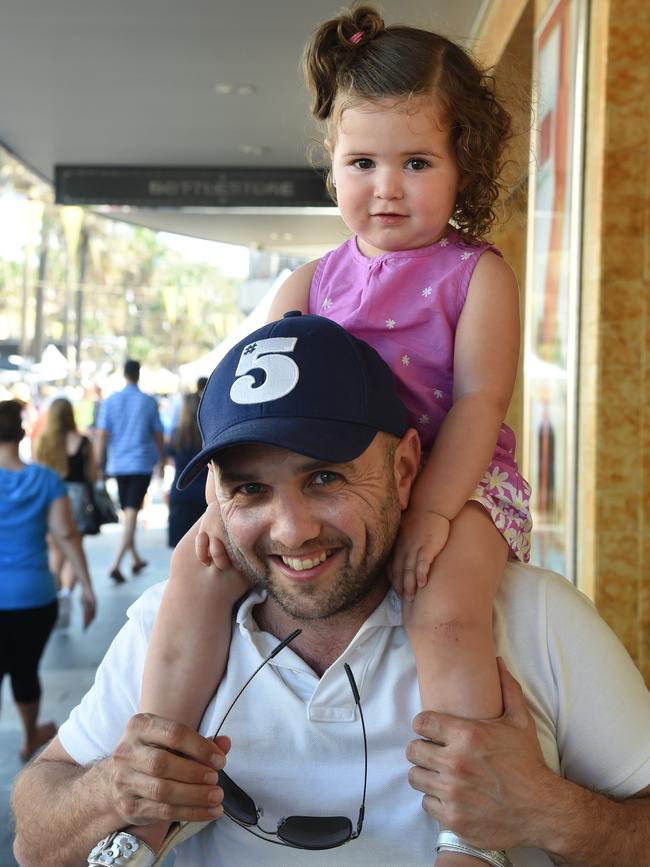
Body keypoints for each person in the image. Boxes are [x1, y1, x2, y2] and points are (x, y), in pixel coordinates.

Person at [10, 315, 650, 867]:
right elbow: (34, 836)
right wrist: (113, 792)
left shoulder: (533, 618)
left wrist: (550, 811)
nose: (291, 531)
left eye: (324, 478)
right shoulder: (170, 629)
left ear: (403, 470)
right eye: (250, 490)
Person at [134, 6, 532, 858]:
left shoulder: (477, 276)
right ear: (332, 164)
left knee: (447, 605)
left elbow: (476, 406)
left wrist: (428, 511)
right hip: (329, 488)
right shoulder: (310, 279)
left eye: (416, 162)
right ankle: (156, 773)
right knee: (196, 571)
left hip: (456, 483)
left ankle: (470, 823)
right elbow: (247, 401)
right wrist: (218, 497)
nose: (386, 187)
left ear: (465, 165)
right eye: (363, 162)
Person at [0, 400, 96, 763]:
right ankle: (29, 737)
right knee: (25, 668)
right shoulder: (45, 480)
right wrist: (85, 586)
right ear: (22, 433)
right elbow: (67, 536)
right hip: (33, 596)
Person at [95, 359, 165, 584]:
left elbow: (102, 433)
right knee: (132, 512)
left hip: (118, 464)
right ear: (138, 374)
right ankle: (115, 564)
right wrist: (162, 460)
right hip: (141, 463)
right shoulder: (148, 402)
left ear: (124, 374)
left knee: (129, 512)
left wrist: (98, 461)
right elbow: (158, 434)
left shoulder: (111, 401)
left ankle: (135, 559)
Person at [34, 397, 97, 628]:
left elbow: (37, 471)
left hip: (51, 497)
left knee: (54, 547)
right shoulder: (82, 441)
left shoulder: (43, 441)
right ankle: (67, 593)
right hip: (77, 499)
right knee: (73, 544)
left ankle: (55, 590)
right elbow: (92, 474)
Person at [166, 392, 207, 548]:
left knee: (180, 549)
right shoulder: (207, 435)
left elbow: (169, 458)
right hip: (204, 495)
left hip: (181, 493)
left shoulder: (177, 435)